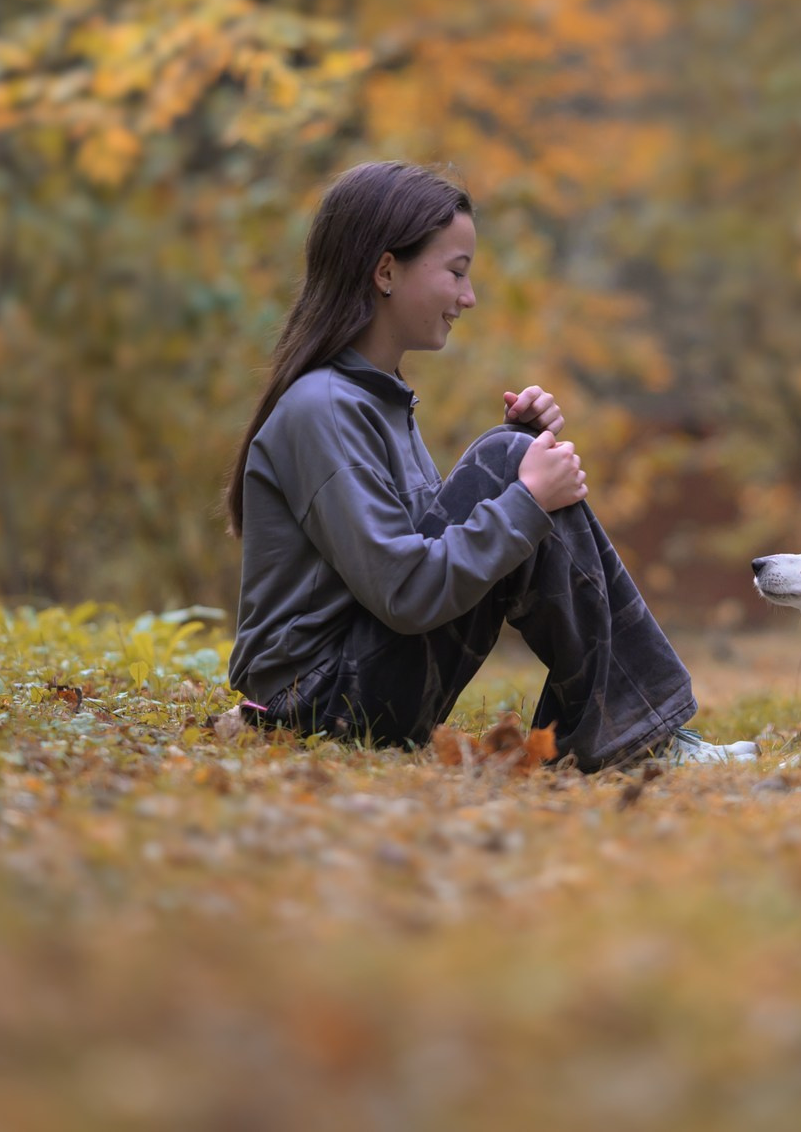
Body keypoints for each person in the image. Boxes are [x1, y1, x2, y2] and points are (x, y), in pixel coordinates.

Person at [226, 161, 755, 769]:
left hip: (351, 686)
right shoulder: (323, 408)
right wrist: (522, 496)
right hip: (318, 705)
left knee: (511, 454)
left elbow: (423, 543)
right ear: (385, 271)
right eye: (456, 273)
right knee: (508, 462)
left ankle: (639, 735)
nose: (468, 297)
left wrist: (522, 465)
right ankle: (635, 740)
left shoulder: (370, 398)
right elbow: (404, 592)